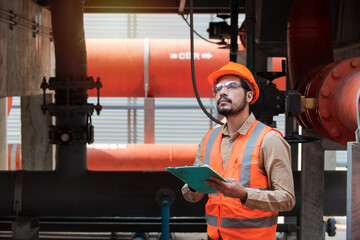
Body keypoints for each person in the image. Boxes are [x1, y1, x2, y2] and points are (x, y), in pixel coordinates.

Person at [182, 62, 295, 240]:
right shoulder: (209, 139)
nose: (223, 92)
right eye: (218, 88)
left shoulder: (269, 139)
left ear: (249, 96)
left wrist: (244, 194)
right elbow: (192, 196)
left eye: (232, 87)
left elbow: (287, 199)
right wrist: (192, 186)